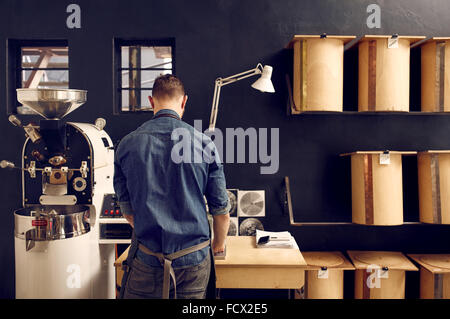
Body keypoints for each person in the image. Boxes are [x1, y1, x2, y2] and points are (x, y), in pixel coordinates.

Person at [114, 74, 230, 299]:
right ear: (184, 101)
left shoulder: (127, 144)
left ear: (151, 101)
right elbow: (221, 212)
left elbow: (128, 212)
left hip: (147, 260)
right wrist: (217, 245)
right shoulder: (204, 143)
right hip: (194, 260)